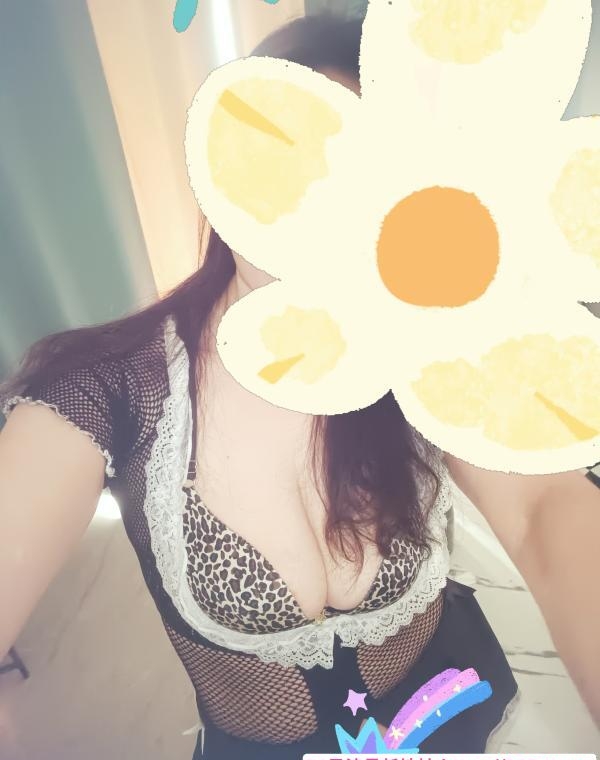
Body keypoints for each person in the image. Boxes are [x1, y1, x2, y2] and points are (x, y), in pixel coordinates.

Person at [1, 13, 599, 759]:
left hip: (443, 711)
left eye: (372, 192)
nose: (327, 229)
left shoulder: (430, 348)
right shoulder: (107, 387)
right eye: (298, 181)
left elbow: (545, 510)